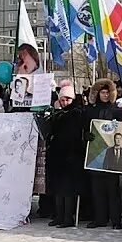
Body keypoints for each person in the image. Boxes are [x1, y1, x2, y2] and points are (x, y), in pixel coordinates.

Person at [85, 78, 122, 229]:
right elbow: (85, 127)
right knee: (97, 189)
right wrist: (86, 136)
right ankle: (99, 218)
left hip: (112, 152)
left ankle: (116, 220)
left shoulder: (117, 110)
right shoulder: (90, 110)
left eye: (108, 92)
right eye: (102, 92)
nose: (105, 95)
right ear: (97, 93)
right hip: (95, 153)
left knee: (113, 189)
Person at [46, 83, 85, 228]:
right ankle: (59, 215)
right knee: (58, 188)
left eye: (67, 99)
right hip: (58, 155)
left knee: (68, 189)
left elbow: (75, 133)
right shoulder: (58, 113)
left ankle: (67, 216)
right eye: (62, 100)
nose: (64, 102)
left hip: (71, 155)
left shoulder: (76, 113)